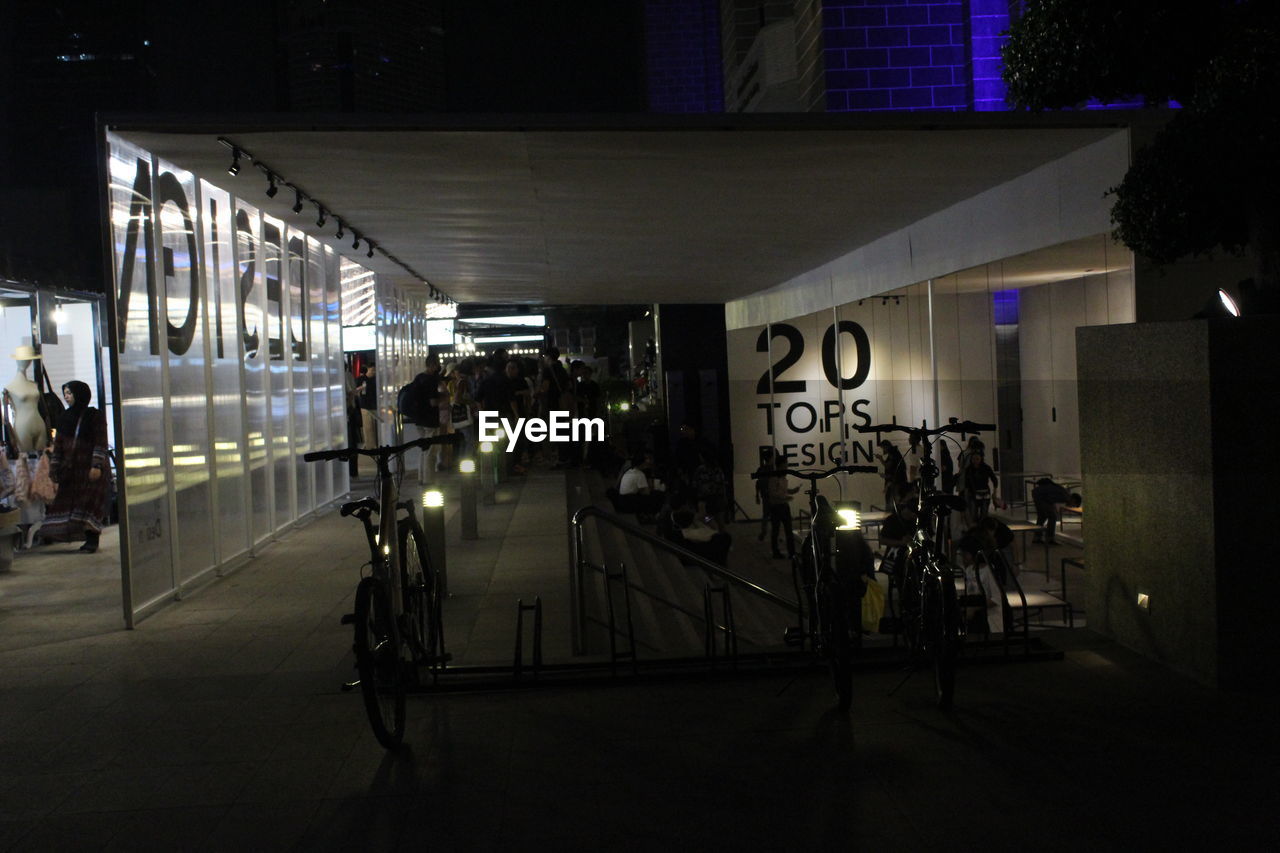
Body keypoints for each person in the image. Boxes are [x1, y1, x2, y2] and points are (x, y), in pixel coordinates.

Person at [39, 381, 111, 553]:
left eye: (69, 393)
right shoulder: (64, 417)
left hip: (90, 469)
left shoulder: (94, 416)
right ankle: (83, 538)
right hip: (72, 470)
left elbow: (101, 442)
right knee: (74, 503)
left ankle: (92, 540)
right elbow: (60, 444)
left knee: (90, 503)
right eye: (65, 393)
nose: (66, 397)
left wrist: (96, 465)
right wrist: (55, 466)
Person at [399, 356, 443, 481]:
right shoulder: (431, 380)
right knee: (431, 451)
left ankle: (421, 477)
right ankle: (429, 480)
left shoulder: (419, 378)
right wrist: (444, 398)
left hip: (419, 419)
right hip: (430, 419)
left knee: (424, 449)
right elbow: (433, 402)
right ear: (434, 365)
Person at [764, 454, 799, 559]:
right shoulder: (774, 478)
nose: (787, 466)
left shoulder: (782, 477)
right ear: (781, 465)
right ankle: (777, 552)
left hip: (783, 506)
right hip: (777, 507)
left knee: (787, 530)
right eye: (785, 464)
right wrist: (786, 497)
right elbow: (773, 493)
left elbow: (780, 490)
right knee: (776, 530)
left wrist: (792, 491)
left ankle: (791, 553)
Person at [1031, 477, 1082, 544]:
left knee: (1042, 517)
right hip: (1040, 496)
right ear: (1074, 500)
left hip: (1038, 494)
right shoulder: (1065, 496)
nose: (1071, 507)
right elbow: (1049, 499)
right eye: (1073, 505)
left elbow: (1051, 499)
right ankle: (1049, 538)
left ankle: (1037, 537)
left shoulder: (1064, 494)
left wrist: (1052, 508)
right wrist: (1053, 510)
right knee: (1052, 517)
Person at [962, 450, 1003, 526]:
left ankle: (982, 528)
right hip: (973, 493)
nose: (975, 461)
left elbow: (994, 479)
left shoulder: (986, 468)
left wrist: (995, 492)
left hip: (984, 492)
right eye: (973, 459)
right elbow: (966, 483)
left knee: (984, 513)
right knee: (973, 513)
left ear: (981, 459)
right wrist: (966, 494)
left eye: (977, 459)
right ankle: (975, 528)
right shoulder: (969, 469)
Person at [753, 448, 776, 542]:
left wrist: (757, 495)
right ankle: (773, 534)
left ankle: (764, 532)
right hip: (772, 495)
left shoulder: (760, 469)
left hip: (765, 495)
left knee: (765, 515)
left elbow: (758, 483)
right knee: (774, 516)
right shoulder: (773, 469)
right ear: (770, 458)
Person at [876, 440, 907, 506]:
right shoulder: (895, 453)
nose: (883, 450)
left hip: (896, 480)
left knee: (891, 499)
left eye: (883, 448)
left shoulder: (893, 454)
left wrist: (880, 459)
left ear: (886, 446)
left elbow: (888, 466)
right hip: (897, 479)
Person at [355, 364, 378, 450]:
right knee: (368, 426)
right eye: (372, 370)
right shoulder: (361, 379)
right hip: (365, 405)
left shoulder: (376, 379)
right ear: (368, 369)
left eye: (375, 370)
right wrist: (360, 388)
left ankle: (375, 444)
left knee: (375, 426)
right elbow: (356, 390)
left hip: (375, 405)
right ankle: (370, 446)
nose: (373, 372)